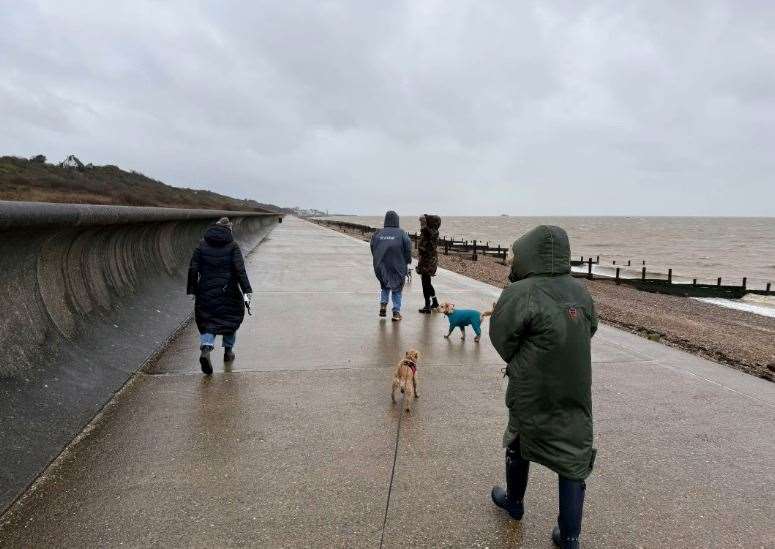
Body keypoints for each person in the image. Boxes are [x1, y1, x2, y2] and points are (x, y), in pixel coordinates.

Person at [488, 225, 598, 549]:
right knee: (573, 448)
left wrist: (524, 360)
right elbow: (590, 327)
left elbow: (501, 337)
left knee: (520, 436)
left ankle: (514, 502)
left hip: (532, 385)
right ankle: (569, 537)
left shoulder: (520, 292)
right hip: (574, 384)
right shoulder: (580, 292)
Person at [186, 217, 253, 375]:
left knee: (208, 320)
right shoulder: (233, 246)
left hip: (205, 290)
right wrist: (246, 290)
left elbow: (193, 268)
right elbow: (239, 269)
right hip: (228, 290)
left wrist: (193, 289)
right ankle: (228, 352)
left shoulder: (201, 245)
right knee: (230, 319)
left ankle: (206, 349)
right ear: (229, 229)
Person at [370, 210, 411, 321]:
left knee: (384, 285)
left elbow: (372, 246)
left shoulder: (378, 233)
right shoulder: (402, 233)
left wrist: (377, 258)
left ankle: (383, 305)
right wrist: (407, 260)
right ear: (397, 220)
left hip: (381, 264)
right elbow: (408, 247)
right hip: (398, 264)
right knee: (397, 288)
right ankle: (396, 313)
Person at [416, 214, 441, 313]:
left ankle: (427, 305)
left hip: (428, 261)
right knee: (427, 282)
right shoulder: (434, 231)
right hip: (428, 260)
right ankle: (434, 302)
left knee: (425, 283)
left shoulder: (430, 232)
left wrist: (424, 219)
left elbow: (425, 231)